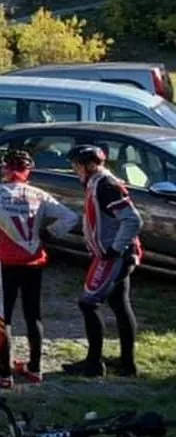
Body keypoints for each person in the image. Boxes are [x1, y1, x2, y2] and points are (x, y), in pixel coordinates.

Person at [0, 149, 80, 389]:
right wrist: (48, 234)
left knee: (3, 316)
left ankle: (4, 373)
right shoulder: (39, 194)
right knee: (33, 314)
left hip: (7, 263)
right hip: (34, 261)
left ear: (5, 169)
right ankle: (35, 368)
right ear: (28, 172)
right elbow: (70, 217)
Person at [63, 144, 143, 378]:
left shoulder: (105, 185)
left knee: (88, 303)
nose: (75, 170)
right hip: (115, 253)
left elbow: (133, 220)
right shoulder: (97, 182)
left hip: (114, 255)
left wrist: (114, 249)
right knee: (119, 303)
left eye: (76, 165)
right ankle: (127, 364)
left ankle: (94, 364)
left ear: (89, 165)